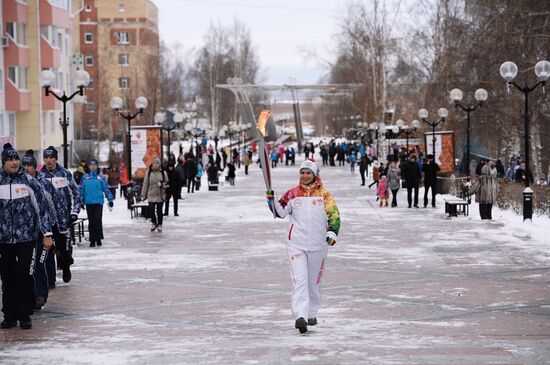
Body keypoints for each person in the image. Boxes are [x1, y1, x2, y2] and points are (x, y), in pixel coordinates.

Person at [265, 160, 340, 334]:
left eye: (308, 172)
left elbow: (334, 215)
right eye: (302, 172)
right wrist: (271, 200)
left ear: (315, 174)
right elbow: (280, 212)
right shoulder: (292, 194)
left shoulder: (324, 195)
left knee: (313, 282)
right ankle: (301, 316)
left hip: (318, 245)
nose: (305, 176)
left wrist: (332, 232)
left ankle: (311, 313)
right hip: (296, 245)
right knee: (300, 281)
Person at [1, 144, 53, 329]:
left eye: (16, 159)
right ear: (4, 162)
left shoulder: (29, 182)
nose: (14, 162)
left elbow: (42, 210)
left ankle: (24, 315)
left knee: (25, 275)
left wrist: (47, 234)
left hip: (27, 240)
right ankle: (9, 315)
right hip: (4, 240)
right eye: (10, 159)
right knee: (7, 277)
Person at [38, 146, 81, 284]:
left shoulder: (65, 174)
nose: (49, 160)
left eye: (51, 157)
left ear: (56, 158)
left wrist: (74, 212)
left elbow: (76, 193)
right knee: (48, 249)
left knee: (63, 248)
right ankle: (50, 279)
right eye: (46, 157)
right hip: (47, 220)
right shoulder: (40, 176)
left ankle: (66, 266)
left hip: (63, 218)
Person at [21, 150, 56, 310]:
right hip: (26, 233)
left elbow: (50, 207)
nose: (26, 168)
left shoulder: (43, 183)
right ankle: (31, 295)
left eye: (29, 165)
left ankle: (41, 295)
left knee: (40, 262)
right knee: (29, 265)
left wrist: (50, 227)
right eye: (24, 165)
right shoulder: (19, 184)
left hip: (42, 231)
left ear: (35, 167)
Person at [80, 159, 113, 247]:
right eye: (91, 165)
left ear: (97, 166)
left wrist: (110, 200)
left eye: (94, 165)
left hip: (98, 202)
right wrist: (81, 200)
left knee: (97, 220)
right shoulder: (85, 177)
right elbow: (81, 190)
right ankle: (92, 240)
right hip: (89, 202)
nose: (93, 166)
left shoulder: (101, 178)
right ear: (89, 166)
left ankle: (98, 238)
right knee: (91, 222)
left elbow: (106, 189)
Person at [141, 158, 169, 232]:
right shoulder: (149, 172)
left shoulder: (163, 172)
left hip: (160, 194)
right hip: (151, 193)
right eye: (154, 163)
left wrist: (162, 184)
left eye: (157, 163)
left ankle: (159, 224)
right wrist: (143, 194)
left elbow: (168, 184)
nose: (155, 165)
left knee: (159, 211)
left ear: (159, 164)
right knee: (151, 210)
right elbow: (145, 183)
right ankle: (153, 222)